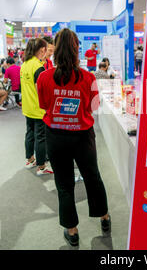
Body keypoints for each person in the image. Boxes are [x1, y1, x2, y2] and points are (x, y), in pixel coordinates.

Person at [37, 28, 110, 247]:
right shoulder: (88, 77)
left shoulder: (44, 77)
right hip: (83, 136)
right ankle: (104, 218)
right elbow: (95, 106)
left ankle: (73, 231)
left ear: (55, 50)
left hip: (56, 137)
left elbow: (43, 106)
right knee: (92, 177)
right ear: (78, 50)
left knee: (64, 184)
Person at [20, 38, 53, 176]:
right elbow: (41, 90)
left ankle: (30, 159)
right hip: (38, 109)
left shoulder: (25, 65)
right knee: (40, 137)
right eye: (47, 49)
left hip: (27, 107)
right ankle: (41, 166)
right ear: (42, 50)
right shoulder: (38, 67)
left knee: (30, 134)